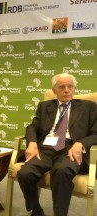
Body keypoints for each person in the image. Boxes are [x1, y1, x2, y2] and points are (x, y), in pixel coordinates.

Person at [17, 73, 97, 216]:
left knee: (61, 171)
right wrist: (32, 143)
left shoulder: (88, 107)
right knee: (25, 173)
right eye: (62, 87)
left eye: (70, 86)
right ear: (54, 91)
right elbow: (32, 127)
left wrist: (80, 143)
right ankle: (36, 209)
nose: (66, 90)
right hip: (46, 148)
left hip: (70, 149)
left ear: (74, 88)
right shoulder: (45, 106)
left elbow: (95, 133)